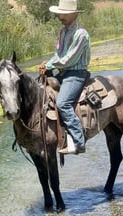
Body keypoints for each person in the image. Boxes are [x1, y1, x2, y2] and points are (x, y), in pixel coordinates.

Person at [39, 0, 90, 154]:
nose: (61, 16)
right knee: (41, 93)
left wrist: (50, 66)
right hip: (63, 73)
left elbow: (70, 59)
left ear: (74, 14)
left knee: (63, 103)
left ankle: (79, 142)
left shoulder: (81, 34)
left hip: (76, 74)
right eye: (60, 13)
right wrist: (47, 63)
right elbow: (59, 54)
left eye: (64, 14)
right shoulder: (63, 32)